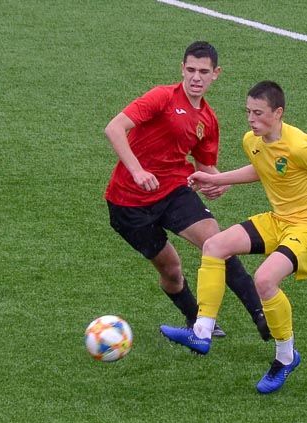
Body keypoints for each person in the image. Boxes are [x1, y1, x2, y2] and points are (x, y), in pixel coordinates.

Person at [160, 80, 307, 394]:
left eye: (259, 113)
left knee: (264, 281)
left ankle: (285, 357)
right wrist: (215, 178)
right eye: (248, 111)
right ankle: (202, 331)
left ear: (278, 113)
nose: (251, 119)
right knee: (214, 245)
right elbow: (263, 169)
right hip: (280, 221)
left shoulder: (300, 146)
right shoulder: (253, 140)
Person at [104, 41, 270, 341]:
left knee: (219, 244)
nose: (196, 77)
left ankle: (261, 316)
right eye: (191, 69)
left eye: (203, 71)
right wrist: (137, 170)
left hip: (173, 192)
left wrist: (219, 183)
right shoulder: (161, 97)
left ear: (216, 74)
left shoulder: (208, 120)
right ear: (182, 68)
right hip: (128, 204)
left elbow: (207, 169)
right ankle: (197, 321)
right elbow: (114, 128)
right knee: (171, 270)